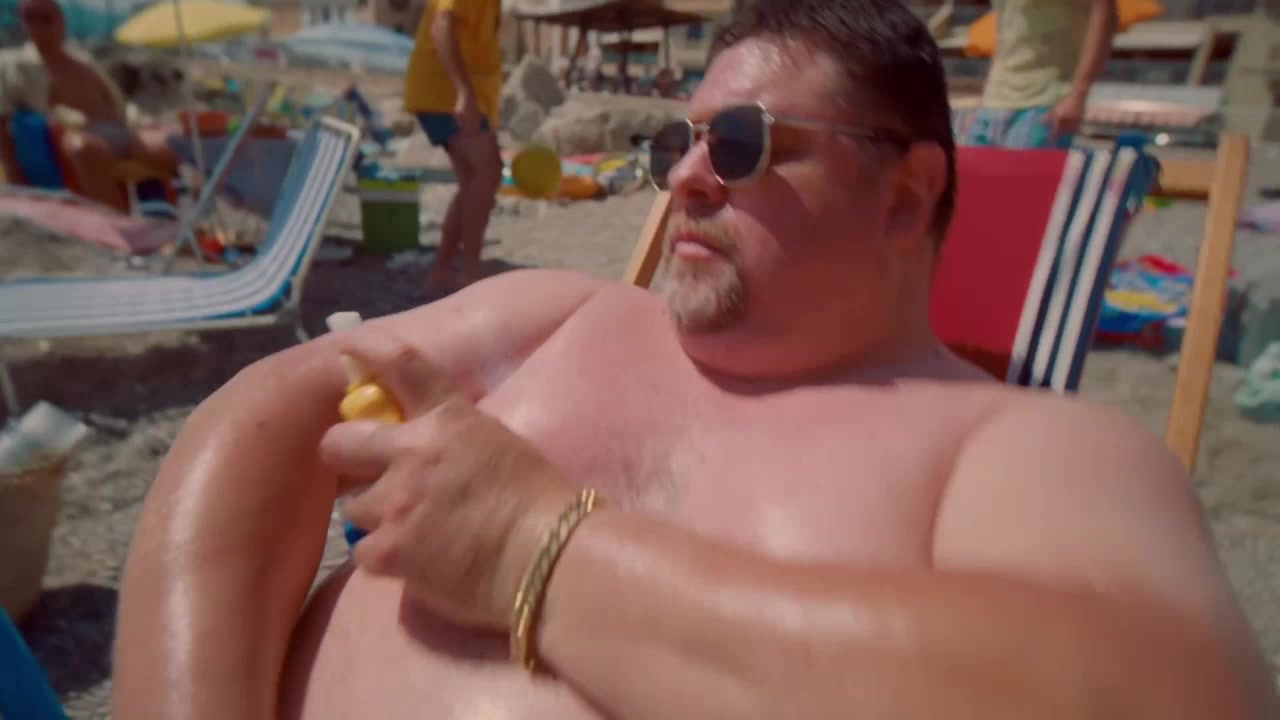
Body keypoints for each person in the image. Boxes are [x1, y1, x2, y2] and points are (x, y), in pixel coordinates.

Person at [112, 0, 1276, 718]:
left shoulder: (1017, 441)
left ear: (904, 193)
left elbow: (1157, 693)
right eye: (679, 139)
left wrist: (531, 551)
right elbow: (271, 414)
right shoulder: (566, 313)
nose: (681, 174)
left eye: (741, 142)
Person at [0, 0, 179, 211]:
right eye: (30, 18)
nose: (38, 25)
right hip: (72, 134)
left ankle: (164, 210)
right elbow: (2, 120)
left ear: (61, 22)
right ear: (22, 23)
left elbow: (116, 100)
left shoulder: (82, 59)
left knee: (177, 142)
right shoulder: (13, 65)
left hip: (123, 129)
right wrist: (12, 170)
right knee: (85, 149)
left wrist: (143, 124)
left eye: (45, 18)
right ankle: (116, 221)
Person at [403, 0, 503, 293]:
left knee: (473, 180)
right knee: (487, 172)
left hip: (460, 94)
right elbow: (441, 25)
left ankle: (442, 273)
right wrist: (463, 93)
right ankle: (470, 274)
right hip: (445, 93)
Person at [958, 0, 1116, 149]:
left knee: (1023, 170)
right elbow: (1005, 30)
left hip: (1045, 102)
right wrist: (985, 99)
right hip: (994, 102)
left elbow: (1103, 11)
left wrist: (1078, 95)